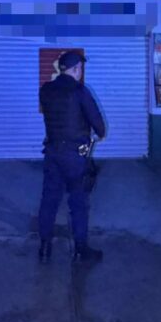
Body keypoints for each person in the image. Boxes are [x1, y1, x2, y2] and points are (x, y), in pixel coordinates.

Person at [38, 51, 106, 264]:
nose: (80, 73)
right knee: (78, 203)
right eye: (80, 69)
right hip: (75, 157)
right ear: (76, 69)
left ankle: (44, 248)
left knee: (49, 200)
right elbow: (99, 126)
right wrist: (96, 133)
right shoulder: (80, 91)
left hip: (52, 153)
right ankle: (80, 250)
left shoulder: (46, 90)